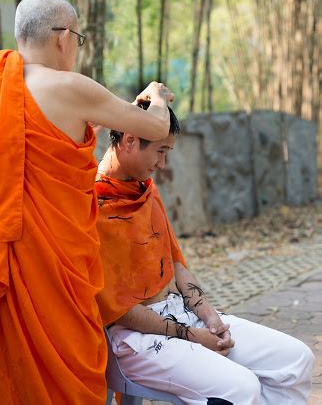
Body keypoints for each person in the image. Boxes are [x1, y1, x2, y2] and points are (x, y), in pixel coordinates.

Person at [0, 0, 174, 405]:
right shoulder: (70, 87)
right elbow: (155, 128)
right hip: (54, 265)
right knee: (67, 357)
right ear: (63, 38)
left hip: (4, 258)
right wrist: (156, 97)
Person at [95, 101, 315, 405]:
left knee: (296, 359)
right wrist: (194, 336)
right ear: (130, 140)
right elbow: (119, 310)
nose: (162, 164)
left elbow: (175, 263)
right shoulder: (90, 204)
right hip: (132, 338)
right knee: (241, 388)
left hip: (181, 314)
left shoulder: (146, 190)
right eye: (160, 152)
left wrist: (211, 319)